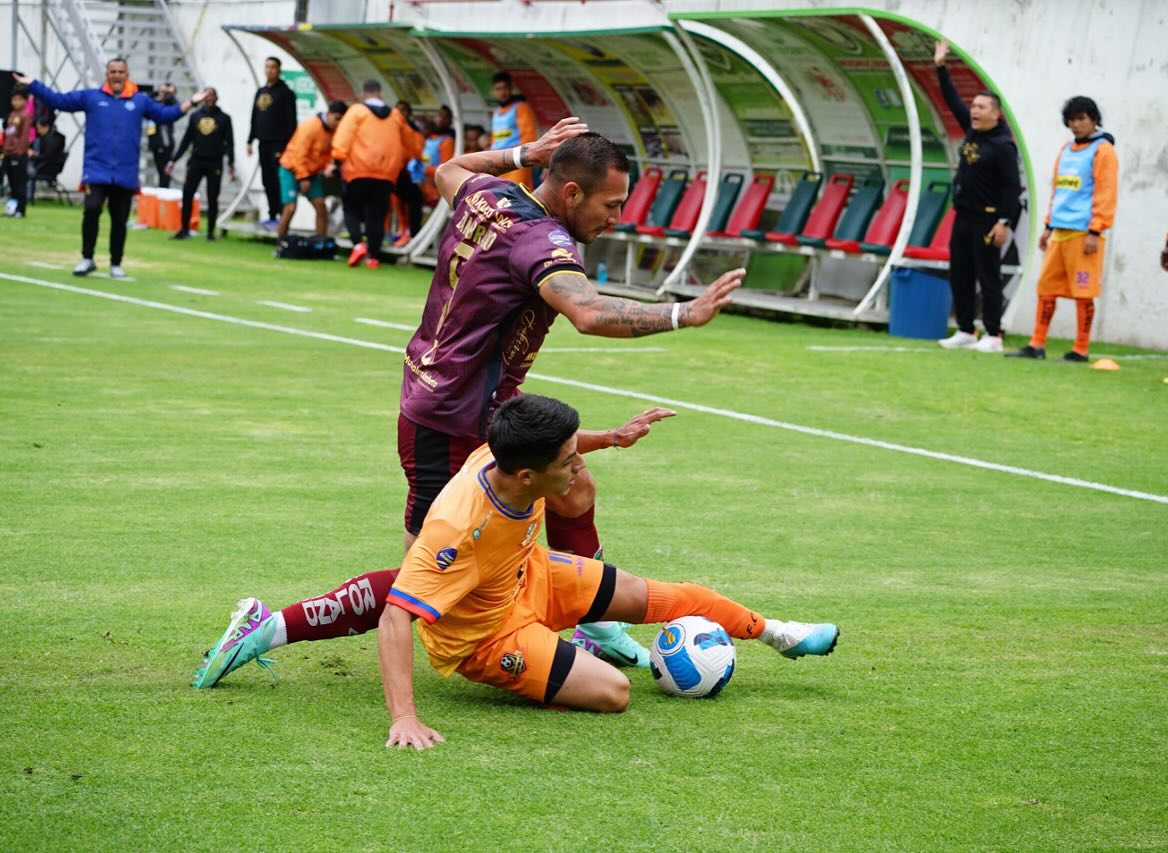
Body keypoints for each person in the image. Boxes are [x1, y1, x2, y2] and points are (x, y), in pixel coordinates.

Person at [191, 394, 840, 753]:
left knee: (669, 595)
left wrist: (610, 438)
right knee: (614, 692)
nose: (574, 465)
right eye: (567, 458)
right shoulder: (456, 531)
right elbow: (394, 616)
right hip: (485, 636)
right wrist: (404, 716)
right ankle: (565, 647)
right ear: (526, 476)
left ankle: (777, 632)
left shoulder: (511, 455)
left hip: (533, 574)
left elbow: (560, 452)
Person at [394, 118, 743, 667]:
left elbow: (449, 168)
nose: (617, 217)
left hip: (471, 402)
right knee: (428, 567)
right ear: (572, 192)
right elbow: (588, 312)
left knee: (573, 488)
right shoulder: (543, 240)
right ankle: (279, 625)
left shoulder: (491, 191)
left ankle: (595, 625)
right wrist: (684, 313)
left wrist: (525, 151)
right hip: (449, 416)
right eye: (611, 204)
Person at [15, 61, 208, 278]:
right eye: (113, 72)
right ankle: (87, 258)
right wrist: (33, 84)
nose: (117, 75)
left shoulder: (140, 101)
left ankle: (116, 263)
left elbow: (167, 115)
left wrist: (192, 102)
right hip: (97, 169)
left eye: (121, 72)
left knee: (119, 219)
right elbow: (59, 101)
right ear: (107, 74)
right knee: (92, 208)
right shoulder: (91, 97)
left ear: (127, 74)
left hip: (125, 172)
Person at [1007, 97, 1117, 363]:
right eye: (1072, 120)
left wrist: (1096, 230)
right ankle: (1037, 344)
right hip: (1060, 232)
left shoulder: (1103, 151)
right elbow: (1060, 191)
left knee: (1083, 292)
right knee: (1046, 289)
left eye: (1082, 118)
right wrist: (1048, 226)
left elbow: (1106, 191)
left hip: (1084, 234)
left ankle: (1080, 349)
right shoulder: (1066, 150)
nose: (1076, 124)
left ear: (1094, 119)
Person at [932, 39, 1023, 353]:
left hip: (988, 219)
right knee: (960, 273)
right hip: (964, 216)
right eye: (973, 107)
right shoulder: (973, 133)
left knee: (988, 276)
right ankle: (966, 329)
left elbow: (1013, 187)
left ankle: (994, 335)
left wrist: (1004, 222)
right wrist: (941, 66)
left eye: (981, 107)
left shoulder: (1002, 145)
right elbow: (951, 99)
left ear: (996, 114)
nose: (973, 110)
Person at [330, 79, 411, 269]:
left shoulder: (357, 112)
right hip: (386, 175)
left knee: (350, 209)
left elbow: (343, 139)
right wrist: (402, 163)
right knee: (376, 215)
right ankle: (373, 258)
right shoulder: (396, 115)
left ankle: (358, 244)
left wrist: (337, 160)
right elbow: (410, 142)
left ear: (363, 94)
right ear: (381, 93)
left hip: (358, 171)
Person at [274, 99, 347, 242]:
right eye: (337, 119)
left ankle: (321, 243)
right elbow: (298, 154)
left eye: (341, 121)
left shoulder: (335, 132)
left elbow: (328, 153)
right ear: (329, 113)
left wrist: (328, 166)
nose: (338, 124)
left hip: (311, 173)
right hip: (291, 169)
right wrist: (303, 178)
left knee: (321, 206)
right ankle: (281, 241)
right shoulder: (311, 126)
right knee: (290, 207)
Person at [168, 88, 235, 241]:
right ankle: (184, 229)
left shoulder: (224, 118)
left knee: (213, 197)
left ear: (217, 98)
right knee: (187, 195)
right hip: (196, 161)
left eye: (212, 96)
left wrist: (231, 163)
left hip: (215, 162)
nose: (210, 99)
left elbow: (230, 143)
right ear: (203, 98)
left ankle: (210, 232)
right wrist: (174, 160)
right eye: (207, 96)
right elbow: (186, 140)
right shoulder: (195, 116)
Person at [246, 57, 297, 229]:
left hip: (279, 142)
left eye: (273, 67)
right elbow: (255, 117)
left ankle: (283, 214)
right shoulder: (260, 92)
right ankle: (271, 213)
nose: (270, 70)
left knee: (278, 179)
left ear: (279, 69)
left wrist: (290, 144)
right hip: (263, 142)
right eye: (267, 67)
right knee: (266, 179)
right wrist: (250, 140)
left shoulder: (286, 93)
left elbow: (292, 121)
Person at [489, 71, 538, 187]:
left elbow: (528, 135)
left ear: (511, 89)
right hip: (498, 161)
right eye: (498, 89)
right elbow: (494, 138)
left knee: (516, 194)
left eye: (505, 88)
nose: (502, 92)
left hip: (516, 161)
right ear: (494, 91)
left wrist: (521, 157)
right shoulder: (496, 111)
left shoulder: (521, 107)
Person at [389, 100, 425, 247]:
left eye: (403, 110)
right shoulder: (391, 128)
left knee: (414, 197)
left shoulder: (413, 131)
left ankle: (409, 232)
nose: (400, 113)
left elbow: (417, 152)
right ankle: (403, 230)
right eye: (398, 110)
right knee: (398, 197)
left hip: (408, 172)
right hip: (394, 170)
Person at [2, 84, 32, 218]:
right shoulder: (12, 114)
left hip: (18, 155)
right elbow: (9, 134)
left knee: (20, 184)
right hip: (7, 153)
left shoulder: (25, 115)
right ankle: (12, 209)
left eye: (19, 99)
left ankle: (21, 210)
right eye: (14, 99)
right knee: (12, 184)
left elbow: (24, 136)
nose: (16, 102)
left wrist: (19, 152)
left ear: (25, 101)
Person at [420, 105, 456, 208]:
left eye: (445, 117)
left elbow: (444, 169)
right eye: (439, 115)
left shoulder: (447, 141)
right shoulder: (427, 137)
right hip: (422, 183)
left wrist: (424, 170)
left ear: (449, 122)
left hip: (434, 188)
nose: (441, 119)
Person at [146, 82, 178, 188]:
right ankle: (162, 190)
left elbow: (177, 106)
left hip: (165, 143)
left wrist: (169, 95)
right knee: (161, 170)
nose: (162, 93)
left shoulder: (169, 104)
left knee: (165, 172)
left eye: (165, 92)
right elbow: (147, 99)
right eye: (161, 91)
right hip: (155, 142)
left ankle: (164, 191)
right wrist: (157, 92)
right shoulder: (154, 103)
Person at [29, 115, 66, 202]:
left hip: (46, 167)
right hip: (46, 165)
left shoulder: (51, 140)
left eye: (39, 128)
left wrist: (34, 155)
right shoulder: (51, 137)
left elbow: (48, 156)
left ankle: (26, 196)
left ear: (45, 127)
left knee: (24, 170)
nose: (38, 131)